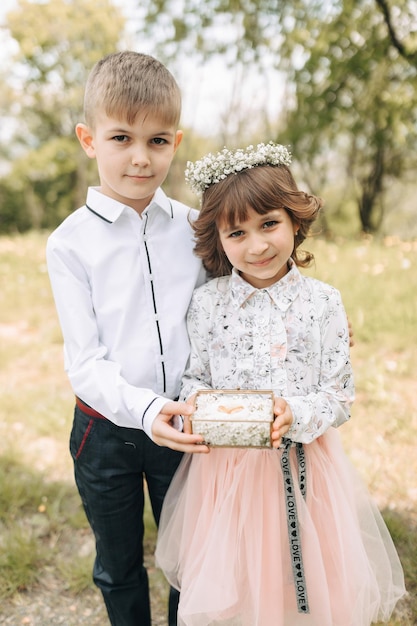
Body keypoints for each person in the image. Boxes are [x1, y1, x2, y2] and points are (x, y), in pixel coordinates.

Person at [155, 142, 406, 626]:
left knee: (306, 582)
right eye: (237, 232)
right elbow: (194, 379)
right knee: (241, 580)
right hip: (228, 477)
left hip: (306, 468)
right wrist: (202, 407)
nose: (257, 245)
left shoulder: (324, 303)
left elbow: (338, 394)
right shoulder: (207, 305)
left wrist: (296, 413)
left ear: (294, 220)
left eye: (269, 224)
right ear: (219, 240)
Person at [46, 51, 210, 626]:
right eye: (122, 138)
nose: (141, 158)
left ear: (176, 140)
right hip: (104, 430)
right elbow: (84, 361)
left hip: (187, 425)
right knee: (117, 564)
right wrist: (147, 410)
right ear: (90, 139)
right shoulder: (69, 245)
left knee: (191, 562)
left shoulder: (197, 229)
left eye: (158, 141)